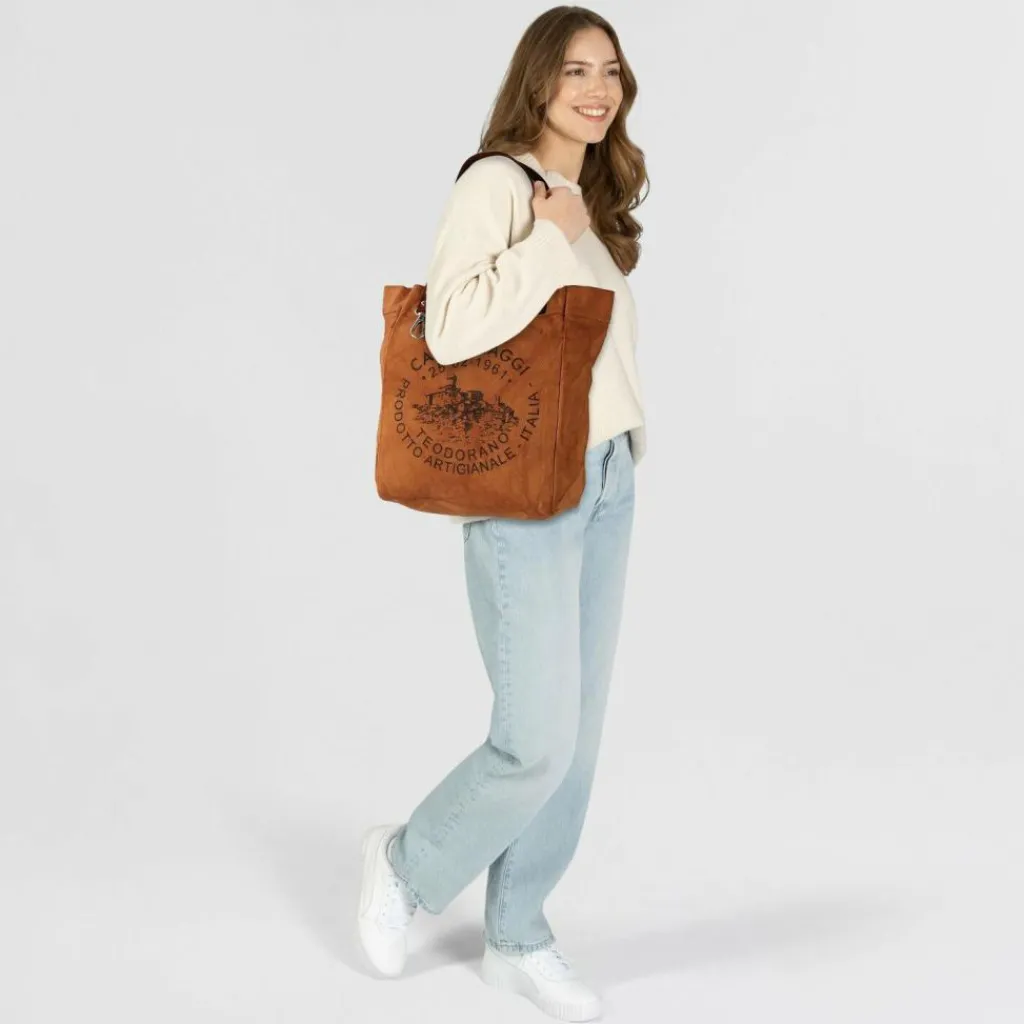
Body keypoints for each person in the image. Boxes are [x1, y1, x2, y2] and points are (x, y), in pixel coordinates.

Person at [358, 7, 649, 1020]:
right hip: (527, 489)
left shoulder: (583, 199)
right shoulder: (499, 185)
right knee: (534, 737)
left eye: (610, 71)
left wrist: (626, 448)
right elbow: (451, 325)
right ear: (537, 82)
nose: (597, 89)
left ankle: (519, 933)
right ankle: (406, 863)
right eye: (575, 71)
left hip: (604, 479)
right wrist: (549, 240)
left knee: (577, 740)